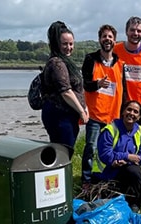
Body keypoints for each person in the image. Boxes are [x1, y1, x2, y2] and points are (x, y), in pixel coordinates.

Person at [81, 24, 126, 190]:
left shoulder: (120, 62)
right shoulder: (90, 59)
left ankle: (107, 178)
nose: (107, 39)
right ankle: (86, 179)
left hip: (113, 115)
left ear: (114, 40)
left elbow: (124, 88)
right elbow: (84, 84)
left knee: (111, 148)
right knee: (90, 148)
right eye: (104, 36)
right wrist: (97, 84)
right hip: (94, 114)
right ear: (99, 39)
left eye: (110, 37)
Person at [41, 21, 89, 152]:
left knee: (66, 150)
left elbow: (77, 89)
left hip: (67, 116)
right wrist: (81, 111)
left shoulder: (65, 62)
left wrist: (85, 107)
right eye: (65, 44)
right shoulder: (57, 63)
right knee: (63, 152)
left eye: (71, 44)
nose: (69, 47)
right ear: (57, 44)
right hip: (59, 116)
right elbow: (66, 91)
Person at [92, 100, 141, 213]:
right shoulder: (110, 129)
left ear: (139, 116)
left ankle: (134, 203)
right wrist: (126, 156)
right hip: (107, 171)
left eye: (135, 111)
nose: (131, 113)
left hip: (127, 168)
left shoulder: (140, 131)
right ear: (123, 112)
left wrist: (127, 161)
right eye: (129, 109)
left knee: (136, 172)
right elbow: (105, 154)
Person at [113, 16, 141, 106]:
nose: (135, 33)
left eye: (139, 31)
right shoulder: (115, 50)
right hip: (120, 104)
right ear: (126, 31)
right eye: (132, 30)